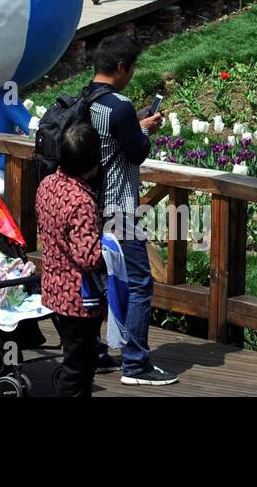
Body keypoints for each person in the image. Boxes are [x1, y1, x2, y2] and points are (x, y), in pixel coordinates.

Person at [82, 35, 175, 384]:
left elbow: (106, 139)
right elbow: (136, 153)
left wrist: (134, 125)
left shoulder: (84, 99)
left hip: (85, 206)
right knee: (139, 284)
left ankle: (95, 351)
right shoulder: (118, 105)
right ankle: (135, 364)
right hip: (119, 209)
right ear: (121, 67)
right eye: (132, 68)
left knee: (97, 282)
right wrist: (145, 130)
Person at [36, 117, 106, 397]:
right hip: (79, 297)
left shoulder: (48, 184)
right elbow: (88, 257)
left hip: (55, 286)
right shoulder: (81, 202)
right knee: (78, 366)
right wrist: (111, 248)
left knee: (77, 360)